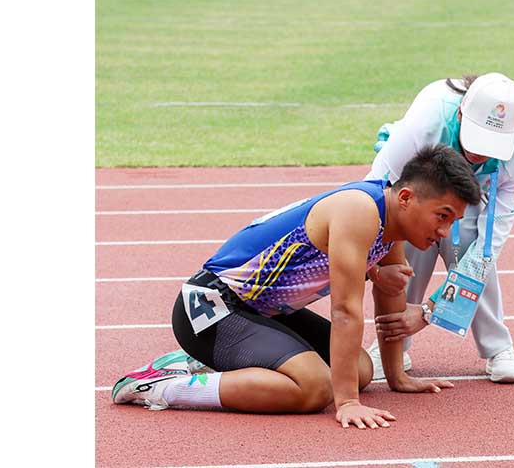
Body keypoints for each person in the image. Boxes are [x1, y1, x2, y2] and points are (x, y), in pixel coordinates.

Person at [111, 144, 482, 429]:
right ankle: (161, 387)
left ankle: (203, 365)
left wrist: (397, 375)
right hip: (211, 308)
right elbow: (345, 311)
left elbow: (390, 297)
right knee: (317, 388)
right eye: (442, 216)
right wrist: (347, 403)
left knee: (360, 370)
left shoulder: (391, 223)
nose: (444, 232)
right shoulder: (359, 212)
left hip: (259, 312)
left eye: (453, 221)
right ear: (406, 198)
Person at [364, 72, 514, 383]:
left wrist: (429, 312)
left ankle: (498, 348)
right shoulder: (426, 122)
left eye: (493, 144)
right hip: (417, 187)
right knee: (407, 234)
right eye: (477, 138)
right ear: (460, 115)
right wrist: (371, 263)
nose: (481, 152)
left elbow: (488, 246)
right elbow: (375, 193)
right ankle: (392, 345)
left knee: (472, 241)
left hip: (467, 196)